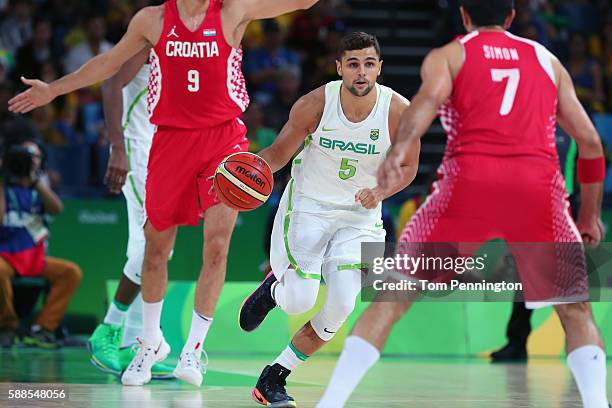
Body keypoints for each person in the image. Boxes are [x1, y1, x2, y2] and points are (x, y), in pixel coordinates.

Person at [8, 0, 321, 387]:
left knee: (217, 246)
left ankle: (193, 349)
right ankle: (149, 344)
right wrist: (53, 90)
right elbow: (109, 66)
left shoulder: (230, 12)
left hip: (224, 139)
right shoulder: (152, 19)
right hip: (169, 141)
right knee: (155, 250)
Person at [318, 1, 609, 408]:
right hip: (537, 189)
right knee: (575, 309)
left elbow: (425, 103)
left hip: (468, 185)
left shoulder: (451, 55)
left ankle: (329, 403)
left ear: (464, 16)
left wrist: (397, 150)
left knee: (393, 295)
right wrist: (589, 215)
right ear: (510, 18)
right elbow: (591, 143)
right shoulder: (548, 61)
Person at [238, 32, 417, 407]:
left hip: (360, 216)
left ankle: (274, 377)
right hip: (309, 206)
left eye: (369, 64)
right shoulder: (315, 104)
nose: (361, 72)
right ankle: (274, 290)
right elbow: (278, 153)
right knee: (298, 300)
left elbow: (409, 168)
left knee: (341, 306)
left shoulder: (399, 111)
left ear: (380, 68)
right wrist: (244, 172)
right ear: (339, 68)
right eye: (353, 64)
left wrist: (381, 192)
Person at [87, 48, 173, 379]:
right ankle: (107, 331)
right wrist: (118, 148)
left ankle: (135, 345)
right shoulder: (152, 34)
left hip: (165, 154)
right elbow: (110, 85)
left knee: (157, 251)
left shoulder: (199, 42)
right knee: (153, 248)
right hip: (138, 152)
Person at [0, 138, 82, 349]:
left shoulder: (39, 189)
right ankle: (7, 327)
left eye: (34, 156)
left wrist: (35, 183)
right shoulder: (3, 187)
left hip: (34, 258)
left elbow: (57, 209)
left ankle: (42, 328)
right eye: (24, 156)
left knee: (70, 273)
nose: (28, 160)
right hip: (5, 256)